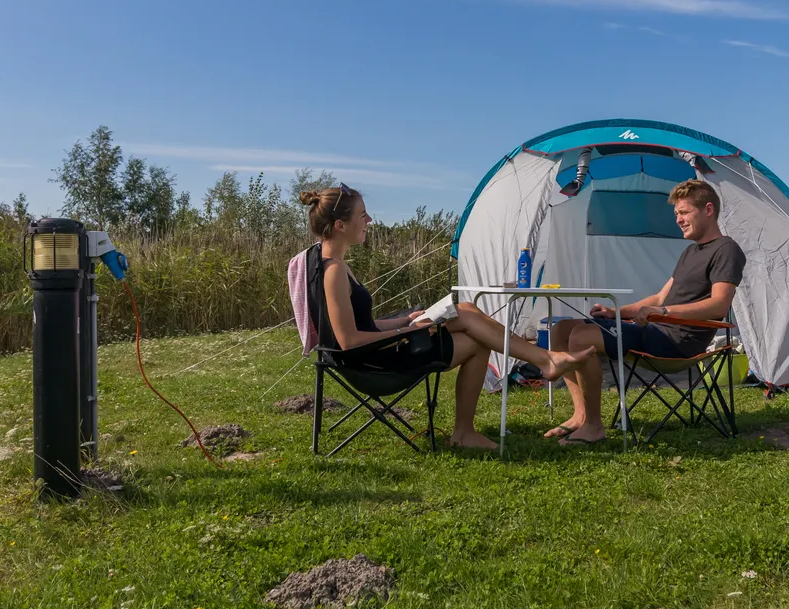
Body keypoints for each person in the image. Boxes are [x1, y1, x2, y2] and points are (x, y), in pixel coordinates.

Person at [304, 185, 578, 450]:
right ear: (340, 225)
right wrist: (409, 333)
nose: (369, 220)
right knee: (477, 337)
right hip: (374, 364)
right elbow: (349, 340)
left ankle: (543, 363)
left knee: (467, 310)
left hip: (377, 351)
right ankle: (538, 366)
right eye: (362, 215)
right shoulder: (334, 272)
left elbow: (364, 324)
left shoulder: (329, 264)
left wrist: (405, 320)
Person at [541, 178, 744, 445]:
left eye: (684, 212)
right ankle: (580, 415)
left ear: (708, 210)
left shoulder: (726, 249)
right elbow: (660, 296)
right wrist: (616, 312)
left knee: (581, 336)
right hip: (656, 329)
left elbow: (719, 304)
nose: (678, 220)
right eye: (676, 214)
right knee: (561, 329)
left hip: (677, 342)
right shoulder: (690, 253)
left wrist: (663, 311)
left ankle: (593, 426)